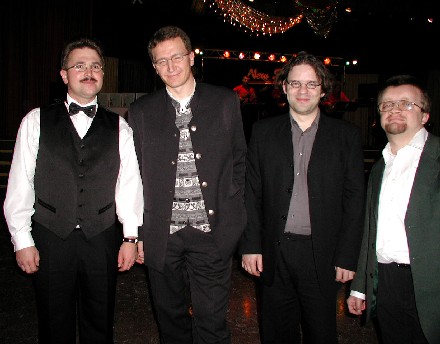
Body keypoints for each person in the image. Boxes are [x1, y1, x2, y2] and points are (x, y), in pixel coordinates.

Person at [3, 38, 144, 344]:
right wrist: (21, 239)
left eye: (95, 66)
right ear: (64, 75)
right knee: (54, 323)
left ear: (103, 74)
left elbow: (129, 185)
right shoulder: (35, 121)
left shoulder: (120, 127)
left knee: (100, 322)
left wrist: (130, 237)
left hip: (102, 236)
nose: (88, 71)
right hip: (51, 236)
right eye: (79, 65)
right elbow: (20, 183)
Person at [128, 26, 247, 344]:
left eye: (177, 56)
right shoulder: (140, 111)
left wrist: (233, 217)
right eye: (161, 60)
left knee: (211, 321)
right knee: (171, 323)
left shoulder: (224, 101)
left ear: (191, 56)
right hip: (161, 236)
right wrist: (138, 234)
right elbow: (134, 177)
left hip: (213, 233)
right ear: (154, 66)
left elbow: (240, 162)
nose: (170, 65)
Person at [239, 51, 366, 343]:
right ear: (284, 88)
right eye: (295, 83)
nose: (303, 90)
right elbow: (252, 192)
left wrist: (348, 256)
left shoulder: (346, 136)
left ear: (323, 89)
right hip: (274, 250)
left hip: (322, 253)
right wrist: (251, 245)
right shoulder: (262, 132)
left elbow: (354, 201)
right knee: (276, 332)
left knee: (321, 333)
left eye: (311, 84)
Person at [347, 75, 440, 344]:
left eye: (406, 104)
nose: (395, 109)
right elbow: (370, 230)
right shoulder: (379, 168)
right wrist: (361, 288)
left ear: (425, 116)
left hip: (430, 281)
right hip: (385, 281)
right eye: (386, 105)